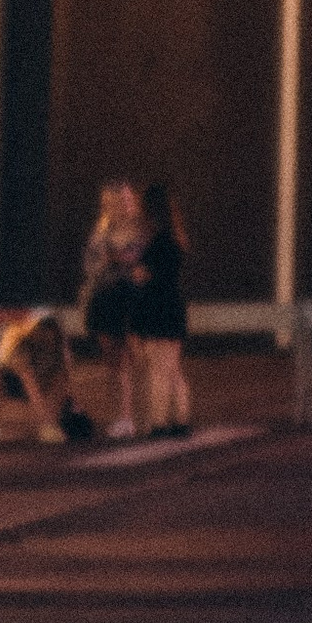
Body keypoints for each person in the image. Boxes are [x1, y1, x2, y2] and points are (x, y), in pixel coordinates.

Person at [80, 177, 145, 440]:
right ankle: (119, 415)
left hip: (129, 297)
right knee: (112, 362)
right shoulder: (102, 227)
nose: (122, 204)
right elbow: (91, 263)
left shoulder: (140, 228)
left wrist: (116, 257)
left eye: (126, 199)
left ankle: (135, 415)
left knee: (133, 358)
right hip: (104, 297)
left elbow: (140, 260)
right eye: (113, 200)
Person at [127, 183, 191, 435]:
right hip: (173, 306)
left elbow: (141, 276)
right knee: (173, 369)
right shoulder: (175, 239)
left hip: (155, 308)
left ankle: (159, 422)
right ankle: (180, 420)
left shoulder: (155, 243)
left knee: (158, 370)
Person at [0, 309, 95, 446]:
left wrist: (57, 414)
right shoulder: (17, 343)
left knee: (69, 420)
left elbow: (64, 381)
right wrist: (48, 425)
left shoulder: (60, 346)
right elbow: (30, 384)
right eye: (43, 330)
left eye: (51, 330)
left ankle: (52, 420)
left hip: (43, 382)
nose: (47, 335)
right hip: (10, 383)